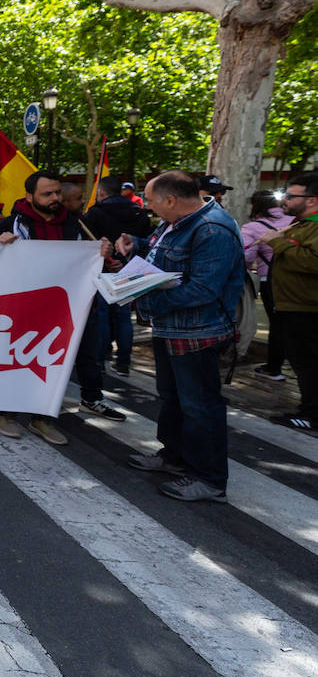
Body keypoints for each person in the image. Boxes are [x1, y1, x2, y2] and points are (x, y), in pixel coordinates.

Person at [116, 171, 244, 502]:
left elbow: (202, 288)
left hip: (197, 332)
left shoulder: (212, 229)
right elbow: (164, 255)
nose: (147, 207)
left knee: (200, 406)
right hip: (170, 328)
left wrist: (141, 296)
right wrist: (137, 245)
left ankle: (210, 479)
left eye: (151, 201)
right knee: (173, 398)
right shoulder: (176, 222)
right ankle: (174, 457)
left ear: (171, 200)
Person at [0, 171, 116, 441]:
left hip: (62, 310)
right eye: (47, 194)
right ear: (29, 196)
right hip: (21, 309)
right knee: (15, 361)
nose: (55, 198)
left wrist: (104, 253)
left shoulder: (78, 226)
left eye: (57, 192)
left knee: (52, 365)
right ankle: (6, 414)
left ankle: (41, 418)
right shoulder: (11, 225)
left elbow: (100, 264)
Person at [256, 172, 318, 431]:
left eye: (291, 196)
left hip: (307, 309)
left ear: (312, 200)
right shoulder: (302, 224)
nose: (285, 200)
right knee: (302, 361)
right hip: (294, 306)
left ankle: (311, 414)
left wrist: (278, 242)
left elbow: (312, 261)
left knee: (308, 363)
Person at [83, 175, 153, 376]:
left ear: (102, 193)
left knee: (102, 316)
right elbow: (147, 243)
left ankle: (101, 358)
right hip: (129, 269)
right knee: (123, 318)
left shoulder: (95, 214)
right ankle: (123, 362)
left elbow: (89, 245)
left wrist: (107, 261)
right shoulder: (139, 213)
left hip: (103, 271)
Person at [241, 189, 295, 383]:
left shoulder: (253, 227)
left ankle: (274, 368)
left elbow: (245, 256)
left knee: (278, 325)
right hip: (301, 281)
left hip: (271, 282)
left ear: (254, 205)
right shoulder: (297, 222)